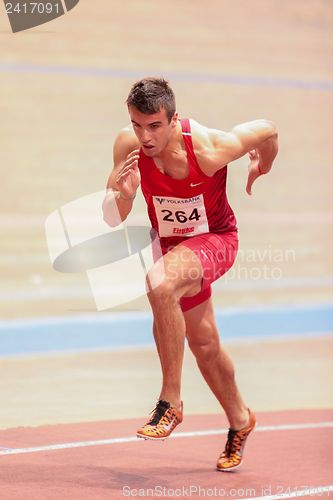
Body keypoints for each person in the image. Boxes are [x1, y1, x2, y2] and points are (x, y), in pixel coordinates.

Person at [103, 77, 278, 471]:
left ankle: (170, 402)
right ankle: (241, 419)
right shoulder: (127, 147)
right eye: (136, 124)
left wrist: (262, 163)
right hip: (174, 249)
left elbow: (268, 129)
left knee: (159, 283)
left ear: (173, 118)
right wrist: (125, 196)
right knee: (204, 344)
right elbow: (111, 217)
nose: (144, 137)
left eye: (154, 126)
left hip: (216, 239)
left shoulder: (210, 148)